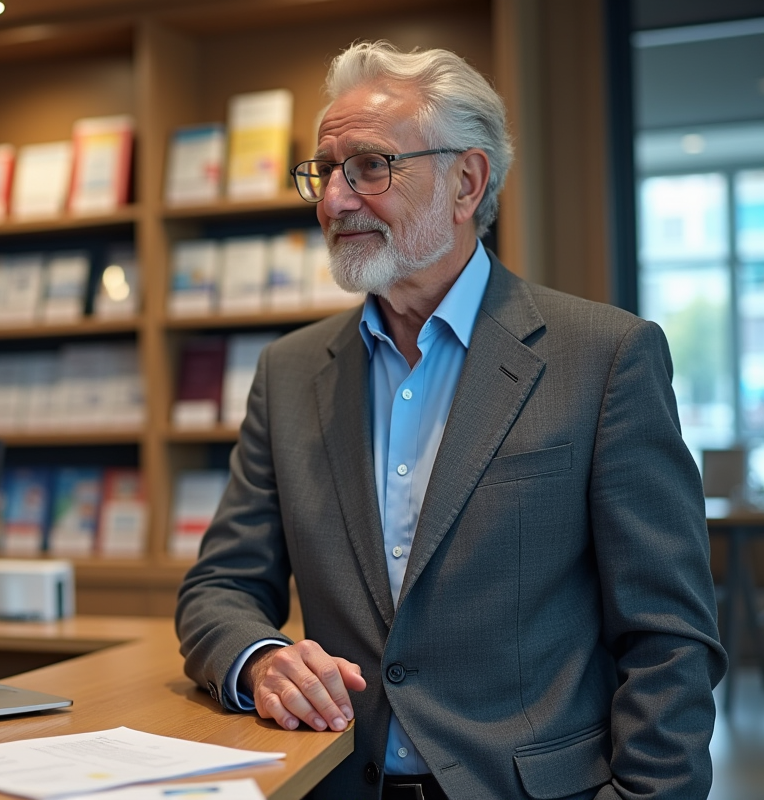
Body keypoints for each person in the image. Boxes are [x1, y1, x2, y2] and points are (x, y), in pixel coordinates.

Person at [176, 40, 727, 800]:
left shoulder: (605, 357)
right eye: (325, 171)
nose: (334, 200)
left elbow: (669, 639)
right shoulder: (290, 373)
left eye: (370, 166)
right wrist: (262, 659)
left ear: (466, 182)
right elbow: (218, 589)